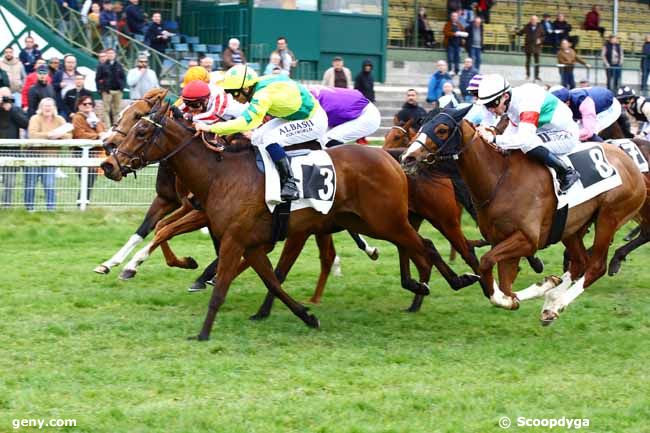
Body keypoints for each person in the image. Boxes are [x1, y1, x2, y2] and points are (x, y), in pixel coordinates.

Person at [194, 65, 329, 202]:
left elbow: (245, 123)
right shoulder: (257, 85)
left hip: (313, 120)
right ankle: (260, 179)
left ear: (246, 89)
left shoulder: (262, 95)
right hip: (295, 115)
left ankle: (290, 184)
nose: (232, 97)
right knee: (257, 137)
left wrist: (211, 128)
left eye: (234, 93)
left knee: (270, 139)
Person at [475, 74, 580, 193]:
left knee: (527, 144)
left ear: (505, 96)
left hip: (566, 134)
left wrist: (493, 139)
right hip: (546, 131)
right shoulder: (511, 102)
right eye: (486, 106)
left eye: (492, 104)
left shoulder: (527, 101)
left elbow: (524, 139)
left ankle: (567, 172)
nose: (490, 110)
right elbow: (513, 129)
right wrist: (500, 144)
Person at [25, 98, 72, 211]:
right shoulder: (35, 118)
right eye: (45, 106)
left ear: (54, 107)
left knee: (49, 184)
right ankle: (29, 209)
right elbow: (32, 134)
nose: (48, 108)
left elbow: (69, 135)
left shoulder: (59, 119)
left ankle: (51, 209)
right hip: (33, 156)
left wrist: (59, 135)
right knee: (30, 184)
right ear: (41, 108)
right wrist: (50, 135)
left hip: (51, 157)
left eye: (50, 106)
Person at [308, 85, 380, 146]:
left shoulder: (314, 101)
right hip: (356, 109)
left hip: (365, 115)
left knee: (326, 140)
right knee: (318, 141)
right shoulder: (310, 95)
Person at [551, 86, 619, 142]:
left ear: (567, 102)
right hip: (595, 98)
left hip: (610, 108)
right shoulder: (558, 102)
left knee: (589, 135)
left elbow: (588, 132)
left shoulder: (584, 103)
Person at [71, 95, 106, 201]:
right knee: (87, 179)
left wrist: (95, 122)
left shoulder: (94, 117)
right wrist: (96, 136)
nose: (88, 106)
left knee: (90, 179)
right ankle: (81, 202)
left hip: (94, 152)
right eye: (84, 104)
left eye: (90, 103)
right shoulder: (77, 117)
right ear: (79, 105)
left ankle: (84, 202)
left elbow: (103, 132)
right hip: (80, 152)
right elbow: (79, 134)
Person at [0, 87, 29, 207]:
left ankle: (6, 205)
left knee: (9, 182)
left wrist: (10, 110)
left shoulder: (16, 109)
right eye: (2, 96)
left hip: (11, 151)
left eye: (7, 97)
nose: (4, 99)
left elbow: (25, 123)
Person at [177, 80, 246, 124]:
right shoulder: (201, 96)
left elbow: (212, 116)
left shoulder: (219, 95)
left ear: (206, 100)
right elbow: (182, 108)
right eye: (187, 103)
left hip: (248, 122)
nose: (191, 108)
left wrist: (186, 117)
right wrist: (177, 110)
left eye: (195, 105)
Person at [95, 48, 126, 126]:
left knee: (117, 110)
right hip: (107, 91)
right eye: (109, 53)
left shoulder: (119, 65)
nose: (110, 55)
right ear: (107, 55)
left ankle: (116, 126)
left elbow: (123, 77)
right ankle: (107, 127)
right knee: (106, 110)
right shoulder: (102, 66)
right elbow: (98, 79)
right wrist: (100, 90)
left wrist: (122, 87)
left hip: (118, 90)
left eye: (112, 53)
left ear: (115, 54)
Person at [516, 15, 544, 81]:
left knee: (537, 62)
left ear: (537, 20)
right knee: (528, 62)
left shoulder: (540, 27)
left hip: (537, 47)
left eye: (534, 20)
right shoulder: (527, 26)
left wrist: (540, 39)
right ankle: (528, 75)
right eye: (532, 19)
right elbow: (521, 33)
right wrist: (516, 32)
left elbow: (543, 36)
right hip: (528, 46)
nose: (533, 21)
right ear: (530, 20)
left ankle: (537, 76)